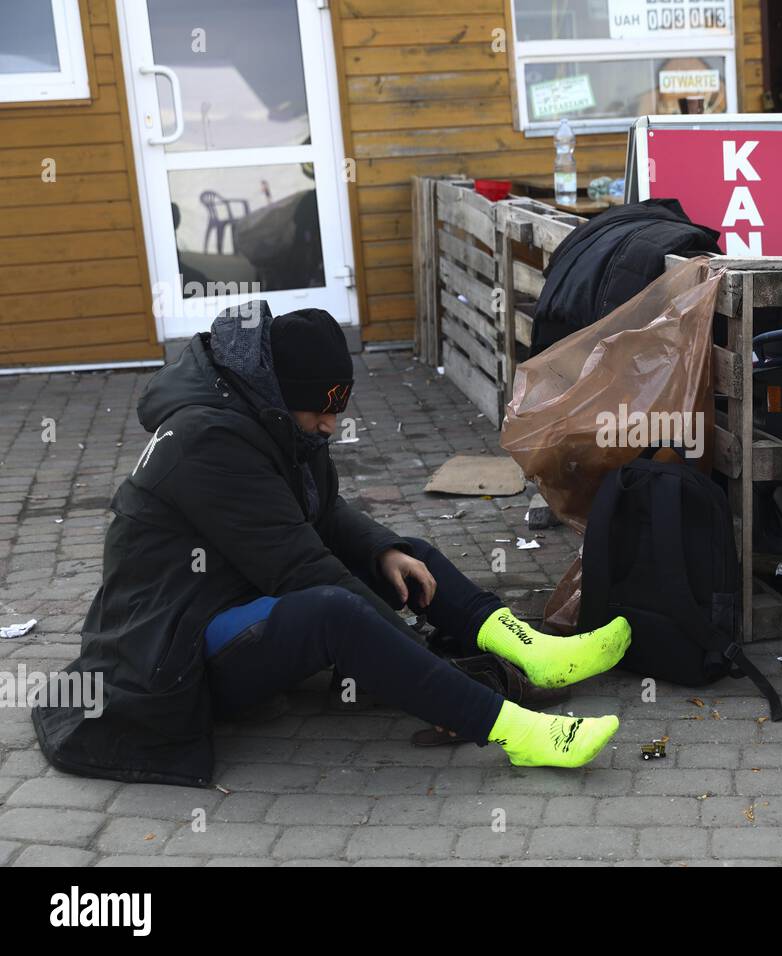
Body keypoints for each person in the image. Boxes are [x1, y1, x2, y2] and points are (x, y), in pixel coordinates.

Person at [32, 302, 629, 787]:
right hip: (172, 646)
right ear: (280, 392)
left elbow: (325, 515)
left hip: (226, 591)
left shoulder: (266, 416)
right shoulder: (206, 442)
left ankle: (536, 653)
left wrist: (384, 552)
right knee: (334, 611)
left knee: (408, 554)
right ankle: (514, 734)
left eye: (339, 406)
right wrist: (425, 663)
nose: (332, 425)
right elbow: (299, 566)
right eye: (323, 409)